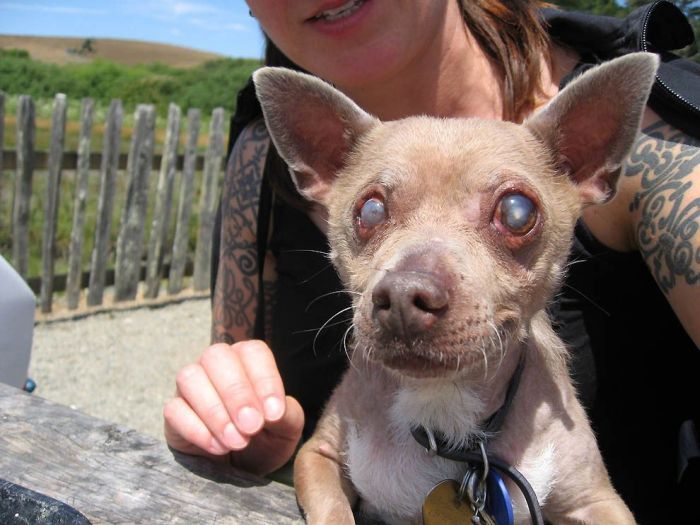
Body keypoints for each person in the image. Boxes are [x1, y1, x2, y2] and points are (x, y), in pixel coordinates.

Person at [164, 1, 700, 522]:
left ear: (586, 166)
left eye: (513, 216)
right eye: (372, 214)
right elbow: (273, 416)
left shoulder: (664, 151)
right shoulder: (257, 156)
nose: (410, 287)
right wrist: (232, 430)